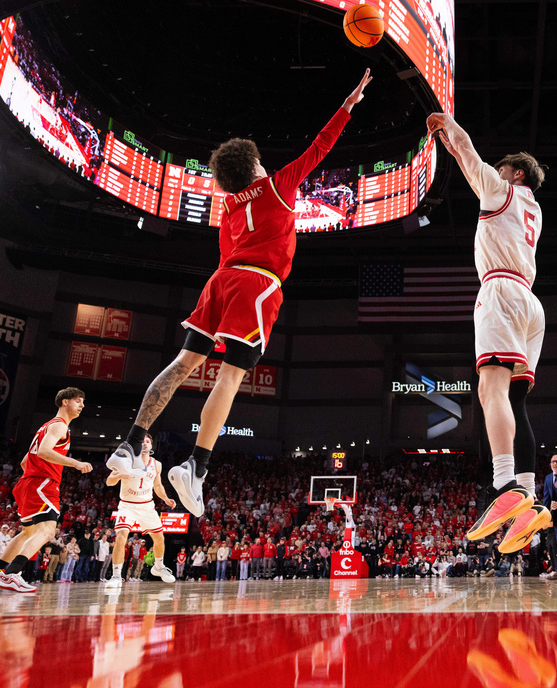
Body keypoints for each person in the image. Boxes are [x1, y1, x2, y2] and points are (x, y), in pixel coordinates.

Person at [104, 70, 374, 519]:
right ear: (254, 167)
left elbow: (227, 251)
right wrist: (348, 105)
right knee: (229, 377)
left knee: (183, 364)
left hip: (220, 281)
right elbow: (319, 148)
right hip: (256, 284)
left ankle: (130, 442)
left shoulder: (227, 205)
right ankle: (196, 465)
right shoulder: (276, 186)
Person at [426, 111, 551, 553]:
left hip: (500, 290)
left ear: (516, 173)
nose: (493, 174)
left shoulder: (504, 189)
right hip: (531, 304)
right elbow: (469, 166)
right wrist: (450, 146)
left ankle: (505, 489)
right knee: (516, 399)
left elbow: (471, 156)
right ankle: (532, 501)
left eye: (502, 169)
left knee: (490, 390)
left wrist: (448, 126)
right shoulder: (531, 206)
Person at [0, 388, 92, 594]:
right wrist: (75, 463)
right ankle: (11, 574)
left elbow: (26, 461)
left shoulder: (46, 427)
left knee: (27, 533)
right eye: (78, 401)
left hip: (28, 483)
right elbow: (43, 452)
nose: (82, 405)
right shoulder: (60, 426)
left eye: (83, 402)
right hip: (43, 484)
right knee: (47, 531)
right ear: (64, 402)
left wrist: (35, 475)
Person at [105, 435, 177, 588]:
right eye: (142, 440)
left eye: (148, 441)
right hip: (127, 505)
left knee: (159, 538)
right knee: (121, 537)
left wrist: (165, 499)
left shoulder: (157, 464)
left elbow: (157, 486)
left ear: (151, 446)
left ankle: (158, 567)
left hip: (147, 506)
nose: (144, 443)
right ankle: (116, 576)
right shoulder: (125, 460)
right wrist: (119, 475)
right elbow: (109, 481)